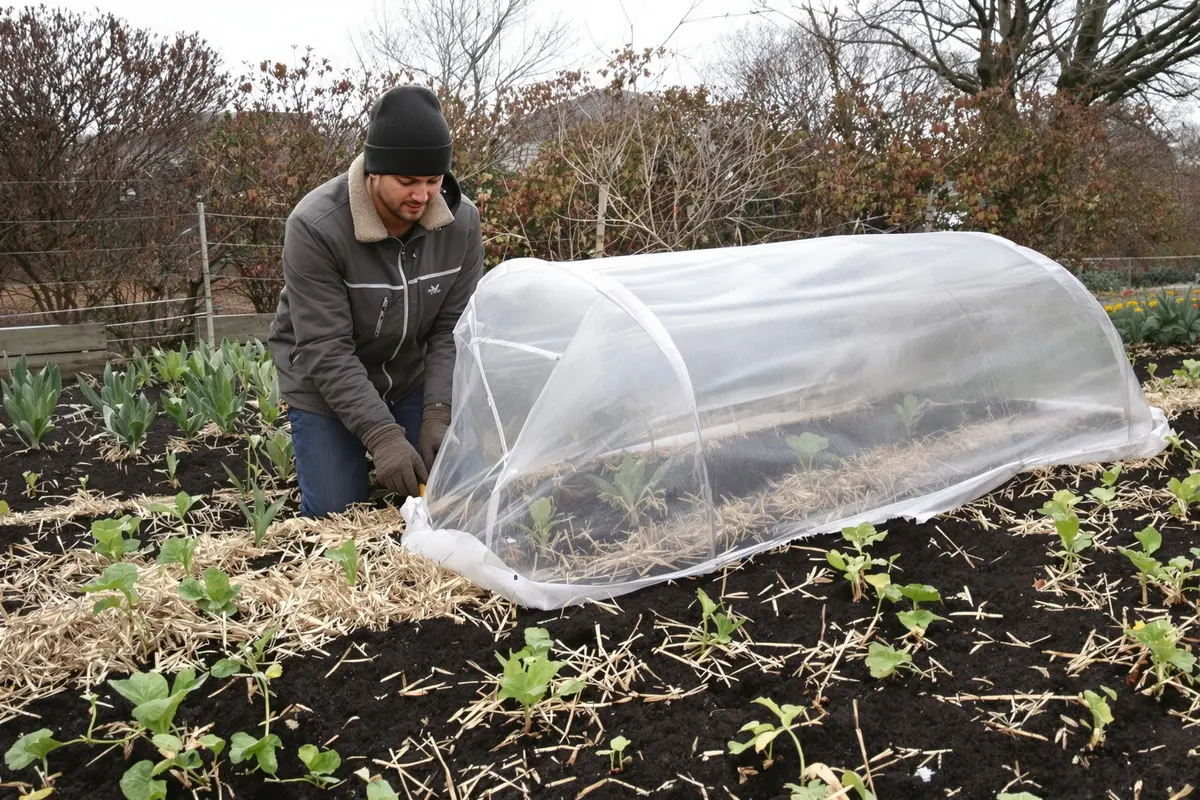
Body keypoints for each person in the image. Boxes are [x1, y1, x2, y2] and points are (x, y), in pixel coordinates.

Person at [267, 85, 484, 517]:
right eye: (407, 181)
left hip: (409, 373)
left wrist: (438, 412)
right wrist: (383, 436)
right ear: (374, 171)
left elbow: (451, 330)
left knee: (458, 488)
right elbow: (326, 349)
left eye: (433, 180)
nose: (422, 196)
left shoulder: (462, 224)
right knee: (337, 512)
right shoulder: (316, 227)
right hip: (323, 381)